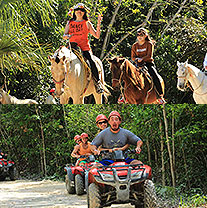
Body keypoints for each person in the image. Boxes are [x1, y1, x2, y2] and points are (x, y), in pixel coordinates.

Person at [63, 3, 103, 94]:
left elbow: (97, 36)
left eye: (81, 11)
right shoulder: (70, 23)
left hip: (84, 48)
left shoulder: (87, 23)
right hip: (72, 47)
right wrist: (68, 35)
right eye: (77, 10)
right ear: (74, 12)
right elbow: (64, 35)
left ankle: (98, 83)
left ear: (84, 13)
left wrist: (98, 23)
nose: (79, 12)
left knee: (92, 62)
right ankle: (60, 84)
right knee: (59, 60)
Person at [131, 28, 165, 104]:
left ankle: (160, 96)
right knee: (126, 75)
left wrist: (141, 59)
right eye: (138, 35)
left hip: (148, 63)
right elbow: (132, 57)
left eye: (141, 35)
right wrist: (137, 60)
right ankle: (123, 96)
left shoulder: (149, 44)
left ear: (145, 36)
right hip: (137, 64)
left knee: (155, 75)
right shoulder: (134, 46)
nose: (139, 37)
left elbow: (149, 56)